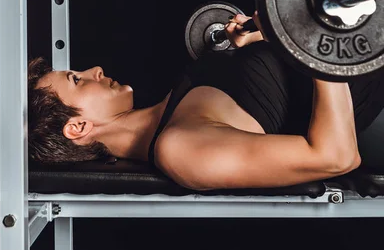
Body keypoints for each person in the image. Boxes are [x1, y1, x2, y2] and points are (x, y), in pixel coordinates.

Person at [28, 12, 384, 191]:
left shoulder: (168, 110)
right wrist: (316, 46)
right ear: (77, 127)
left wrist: (268, 35)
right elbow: (336, 156)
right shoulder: (182, 149)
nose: (95, 69)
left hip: (365, 47)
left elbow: (271, 88)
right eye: (77, 79)